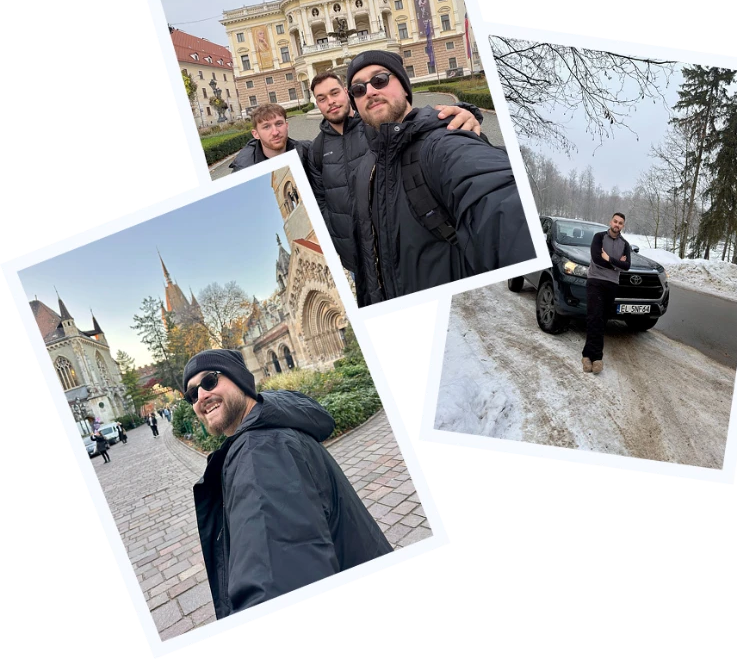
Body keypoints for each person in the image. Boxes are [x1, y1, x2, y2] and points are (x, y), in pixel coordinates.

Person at [184, 348, 393, 619]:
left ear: (240, 380)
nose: (201, 396)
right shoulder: (276, 423)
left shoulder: (260, 453)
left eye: (210, 381)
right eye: (191, 394)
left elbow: (276, 581)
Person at [342, 50, 536, 306]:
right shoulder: (365, 168)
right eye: (358, 89)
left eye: (379, 80)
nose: (370, 91)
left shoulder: (442, 142)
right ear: (354, 104)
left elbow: (498, 200)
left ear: (404, 86)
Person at [307, 71, 484, 278]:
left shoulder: (378, 125)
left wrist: (464, 114)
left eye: (334, 93)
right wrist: (337, 238)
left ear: (346, 93)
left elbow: (421, 127)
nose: (331, 102)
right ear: (317, 104)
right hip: (355, 260)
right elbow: (320, 199)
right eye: (322, 98)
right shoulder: (316, 149)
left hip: (398, 253)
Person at [582, 212, 631, 374]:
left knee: (602, 320)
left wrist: (609, 259)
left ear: (623, 226)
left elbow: (627, 266)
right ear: (611, 221)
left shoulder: (625, 245)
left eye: (620, 223)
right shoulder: (598, 237)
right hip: (595, 280)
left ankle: (586, 354)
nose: (617, 225)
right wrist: (617, 263)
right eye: (615, 221)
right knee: (594, 316)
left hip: (612, 284)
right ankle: (597, 358)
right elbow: (597, 259)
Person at [229, 103, 311, 173]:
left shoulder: (308, 151)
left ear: (286, 126)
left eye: (279, 124)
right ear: (256, 134)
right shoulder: (243, 169)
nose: (275, 132)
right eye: (266, 127)